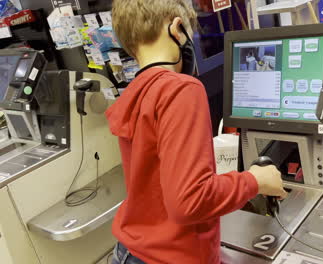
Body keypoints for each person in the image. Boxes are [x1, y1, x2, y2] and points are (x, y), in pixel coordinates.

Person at [106, 1, 288, 264]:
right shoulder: (180, 89)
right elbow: (189, 201)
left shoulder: (136, 93)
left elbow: (157, 183)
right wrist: (256, 180)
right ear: (177, 29)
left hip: (131, 252)